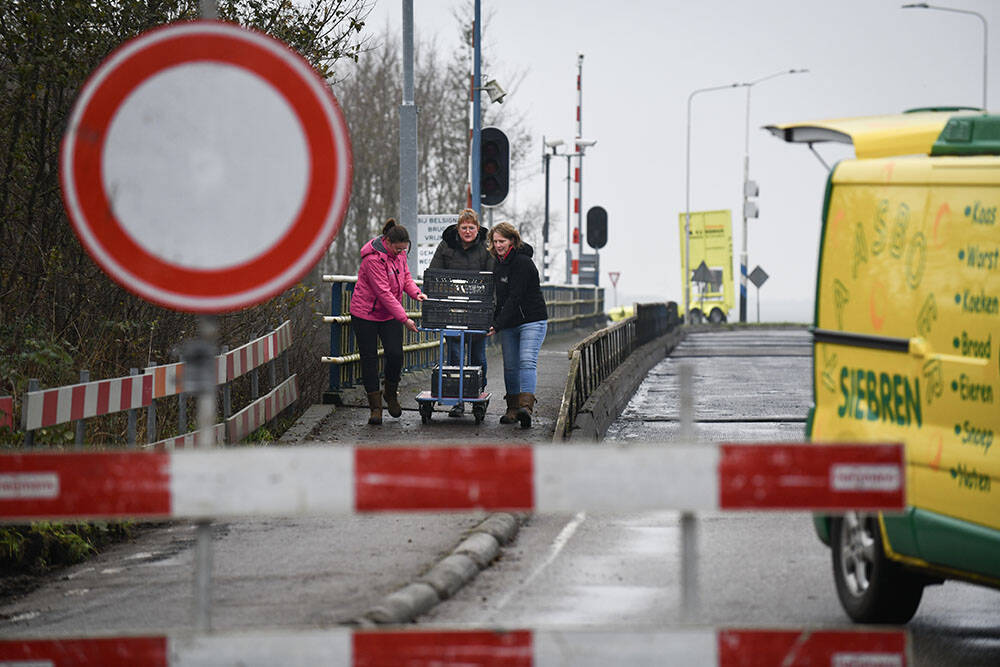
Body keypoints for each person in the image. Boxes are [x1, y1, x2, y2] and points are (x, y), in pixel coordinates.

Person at [350, 219, 426, 425]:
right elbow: (383, 293)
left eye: (404, 249)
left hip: (389, 314)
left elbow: (406, 279)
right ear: (388, 242)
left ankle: (390, 393)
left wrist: (416, 293)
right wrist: (405, 318)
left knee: (395, 354)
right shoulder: (373, 260)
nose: (401, 252)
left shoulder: (399, 256)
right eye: (398, 248)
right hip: (365, 313)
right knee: (370, 359)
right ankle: (375, 408)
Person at [428, 208, 494, 418]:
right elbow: (435, 273)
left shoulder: (485, 248)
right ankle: (457, 399)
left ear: (477, 229)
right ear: (458, 229)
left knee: (477, 355)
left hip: (477, 309)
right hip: (452, 308)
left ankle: (477, 395)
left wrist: (492, 312)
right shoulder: (446, 246)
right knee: (455, 355)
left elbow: (492, 279)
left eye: (471, 227)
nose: (467, 231)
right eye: (464, 227)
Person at [487, 221, 548, 428]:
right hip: (510, 322)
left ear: (512, 240)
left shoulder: (523, 263)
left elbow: (515, 297)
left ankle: (525, 408)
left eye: (502, 241)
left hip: (532, 319)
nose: (498, 245)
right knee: (510, 367)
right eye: (495, 242)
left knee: (526, 361)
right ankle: (512, 409)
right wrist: (496, 320)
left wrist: (496, 324)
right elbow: (499, 299)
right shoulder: (497, 263)